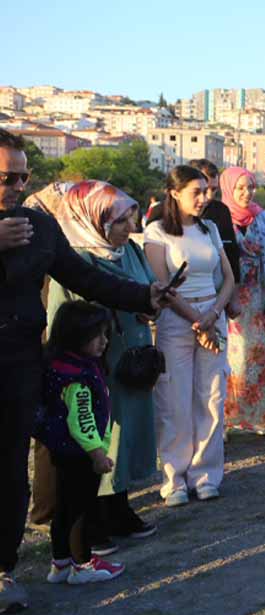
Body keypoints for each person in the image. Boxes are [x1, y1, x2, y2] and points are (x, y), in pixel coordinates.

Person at [0, 129, 165, 613]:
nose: (15, 185)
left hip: (19, 365)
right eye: (5, 177)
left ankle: (3, 571)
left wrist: (142, 295)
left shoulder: (39, 227)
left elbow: (85, 276)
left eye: (22, 177)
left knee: (11, 472)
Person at [45, 181, 159, 552]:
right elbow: (63, 318)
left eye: (132, 218)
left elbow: (145, 287)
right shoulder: (74, 260)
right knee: (99, 436)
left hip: (132, 358)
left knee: (127, 436)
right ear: (93, 220)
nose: (130, 228)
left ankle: (119, 507)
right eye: (121, 221)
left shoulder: (130, 252)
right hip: (97, 364)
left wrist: (148, 303)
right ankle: (92, 522)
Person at [144, 166, 235, 506]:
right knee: (173, 401)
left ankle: (206, 473)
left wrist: (211, 317)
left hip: (211, 316)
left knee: (211, 398)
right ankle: (174, 478)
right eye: (196, 191)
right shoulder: (156, 232)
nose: (204, 198)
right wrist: (198, 321)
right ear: (174, 193)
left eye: (207, 191)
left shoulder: (209, 228)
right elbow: (161, 286)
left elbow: (228, 279)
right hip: (177, 321)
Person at [38, 301, 126, 584]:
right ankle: (83, 563)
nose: (104, 341)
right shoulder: (77, 376)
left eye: (105, 333)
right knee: (81, 508)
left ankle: (60, 562)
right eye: (97, 335)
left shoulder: (61, 364)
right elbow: (82, 420)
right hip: (80, 453)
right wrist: (97, 454)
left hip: (63, 450)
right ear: (75, 335)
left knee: (65, 506)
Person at [221, 167, 265, 435]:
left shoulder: (261, 219)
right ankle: (226, 420)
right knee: (232, 360)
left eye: (250, 187)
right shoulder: (220, 218)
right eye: (239, 188)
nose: (245, 193)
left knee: (257, 360)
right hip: (231, 296)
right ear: (228, 188)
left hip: (259, 296)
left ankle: (260, 416)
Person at [188, 159, 242, 289]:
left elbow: (231, 253)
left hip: (215, 292)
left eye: (214, 189)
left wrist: (232, 294)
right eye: (204, 189)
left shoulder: (221, 212)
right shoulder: (161, 216)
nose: (209, 196)